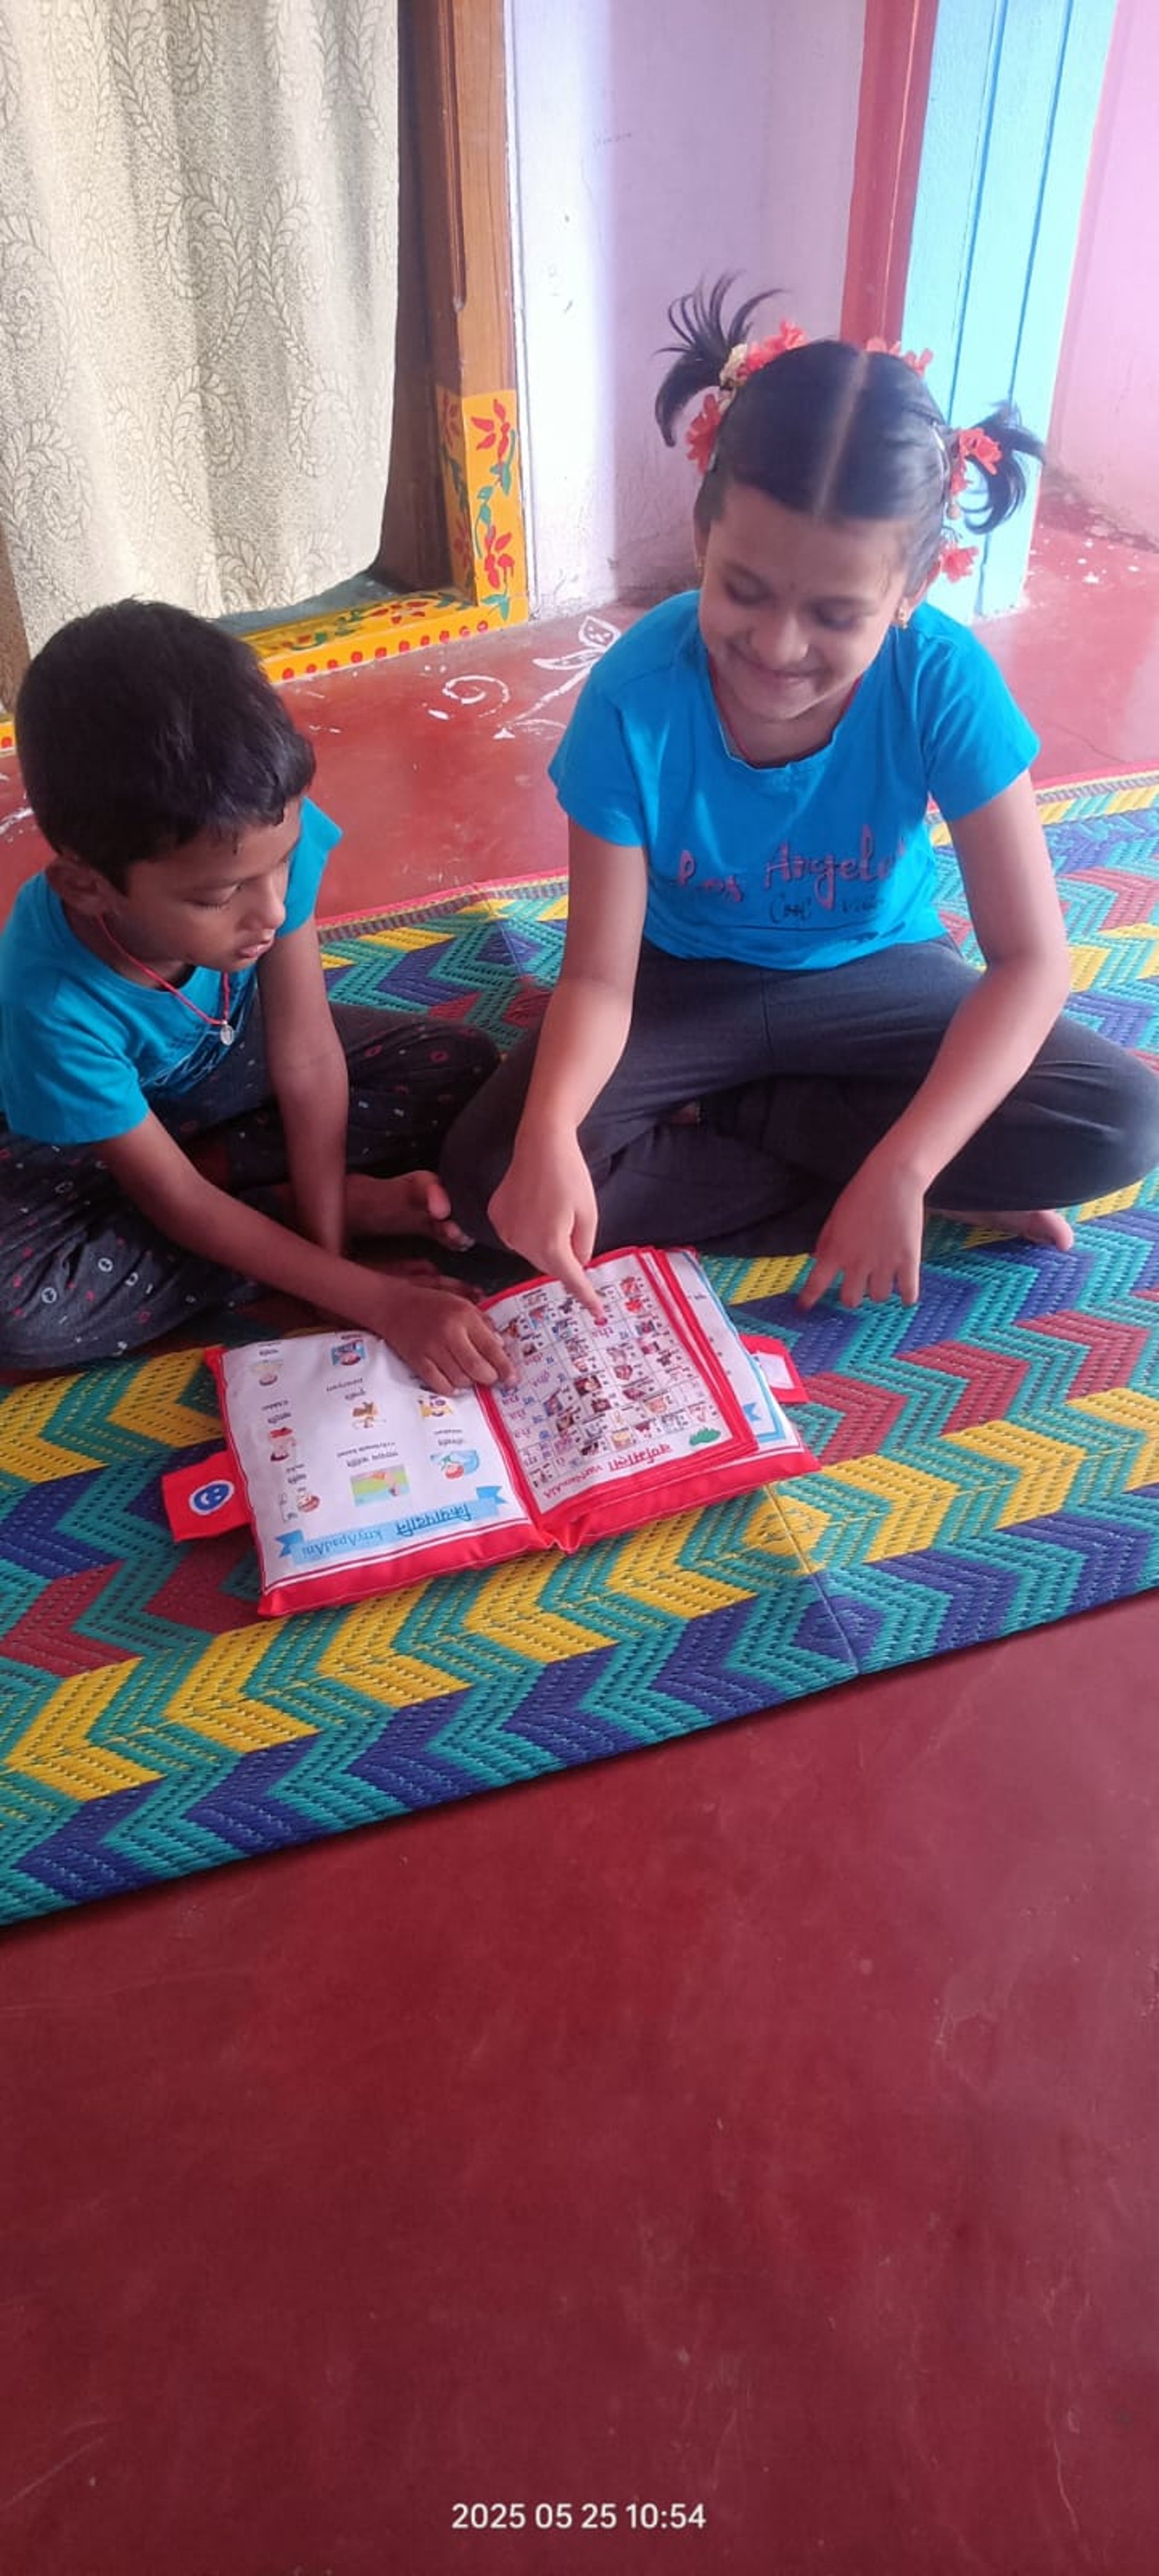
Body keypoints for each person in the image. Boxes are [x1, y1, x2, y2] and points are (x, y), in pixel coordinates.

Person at [440, 280, 1159, 1314]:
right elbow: (598, 980)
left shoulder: (941, 680)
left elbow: (1032, 960)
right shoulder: (635, 697)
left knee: (1119, 1123)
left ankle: (765, 1127)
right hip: (681, 984)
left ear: (912, 594)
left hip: (880, 978)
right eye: (743, 590)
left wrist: (907, 1168)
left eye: (834, 614)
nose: (778, 648)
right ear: (702, 537)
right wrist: (552, 1135)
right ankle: (848, 1159)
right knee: (489, 1177)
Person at [0, 600, 508, 1391]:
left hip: (226, 1072)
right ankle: (278, 1215)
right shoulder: (49, 1000)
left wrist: (333, 1254)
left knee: (461, 1062)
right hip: (83, 1145)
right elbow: (172, 1198)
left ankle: (285, 1205)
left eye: (283, 864)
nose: (271, 909)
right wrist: (369, 1295)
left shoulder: (259, 836)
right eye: (219, 897)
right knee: (23, 1311)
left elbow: (306, 1058)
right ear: (88, 886)